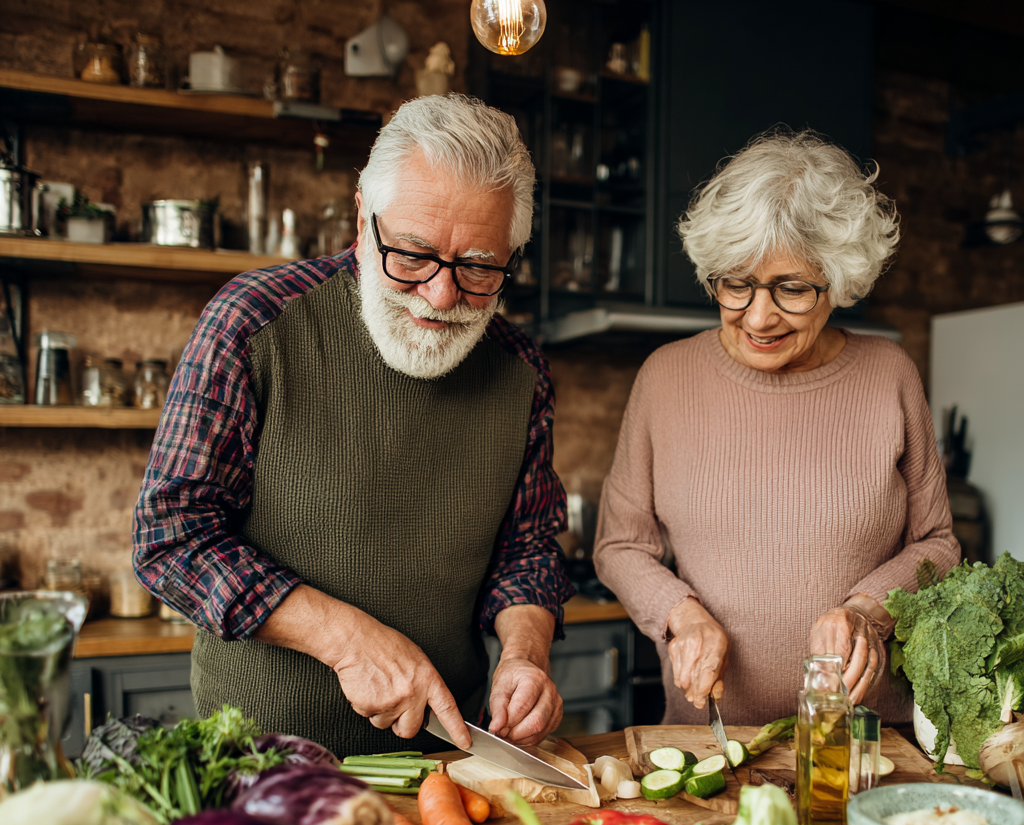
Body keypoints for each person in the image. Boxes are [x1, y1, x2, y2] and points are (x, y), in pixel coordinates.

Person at [133, 94, 573, 755]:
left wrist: (525, 656)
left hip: (444, 763)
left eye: (479, 266)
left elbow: (527, 553)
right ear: (364, 218)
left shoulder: (521, 372)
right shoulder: (253, 324)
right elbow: (171, 538)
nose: (442, 295)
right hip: (261, 761)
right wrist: (347, 640)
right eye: (413, 254)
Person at [593, 130, 959, 725]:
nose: (759, 317)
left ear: (837, 283)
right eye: (736, 283)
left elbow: (938, 544)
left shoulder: (889, 375)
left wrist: (867, 611)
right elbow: (619, 545)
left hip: (862, 741)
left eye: (791, 288)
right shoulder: (664, 378)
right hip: (708, 742)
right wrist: (680, 612)